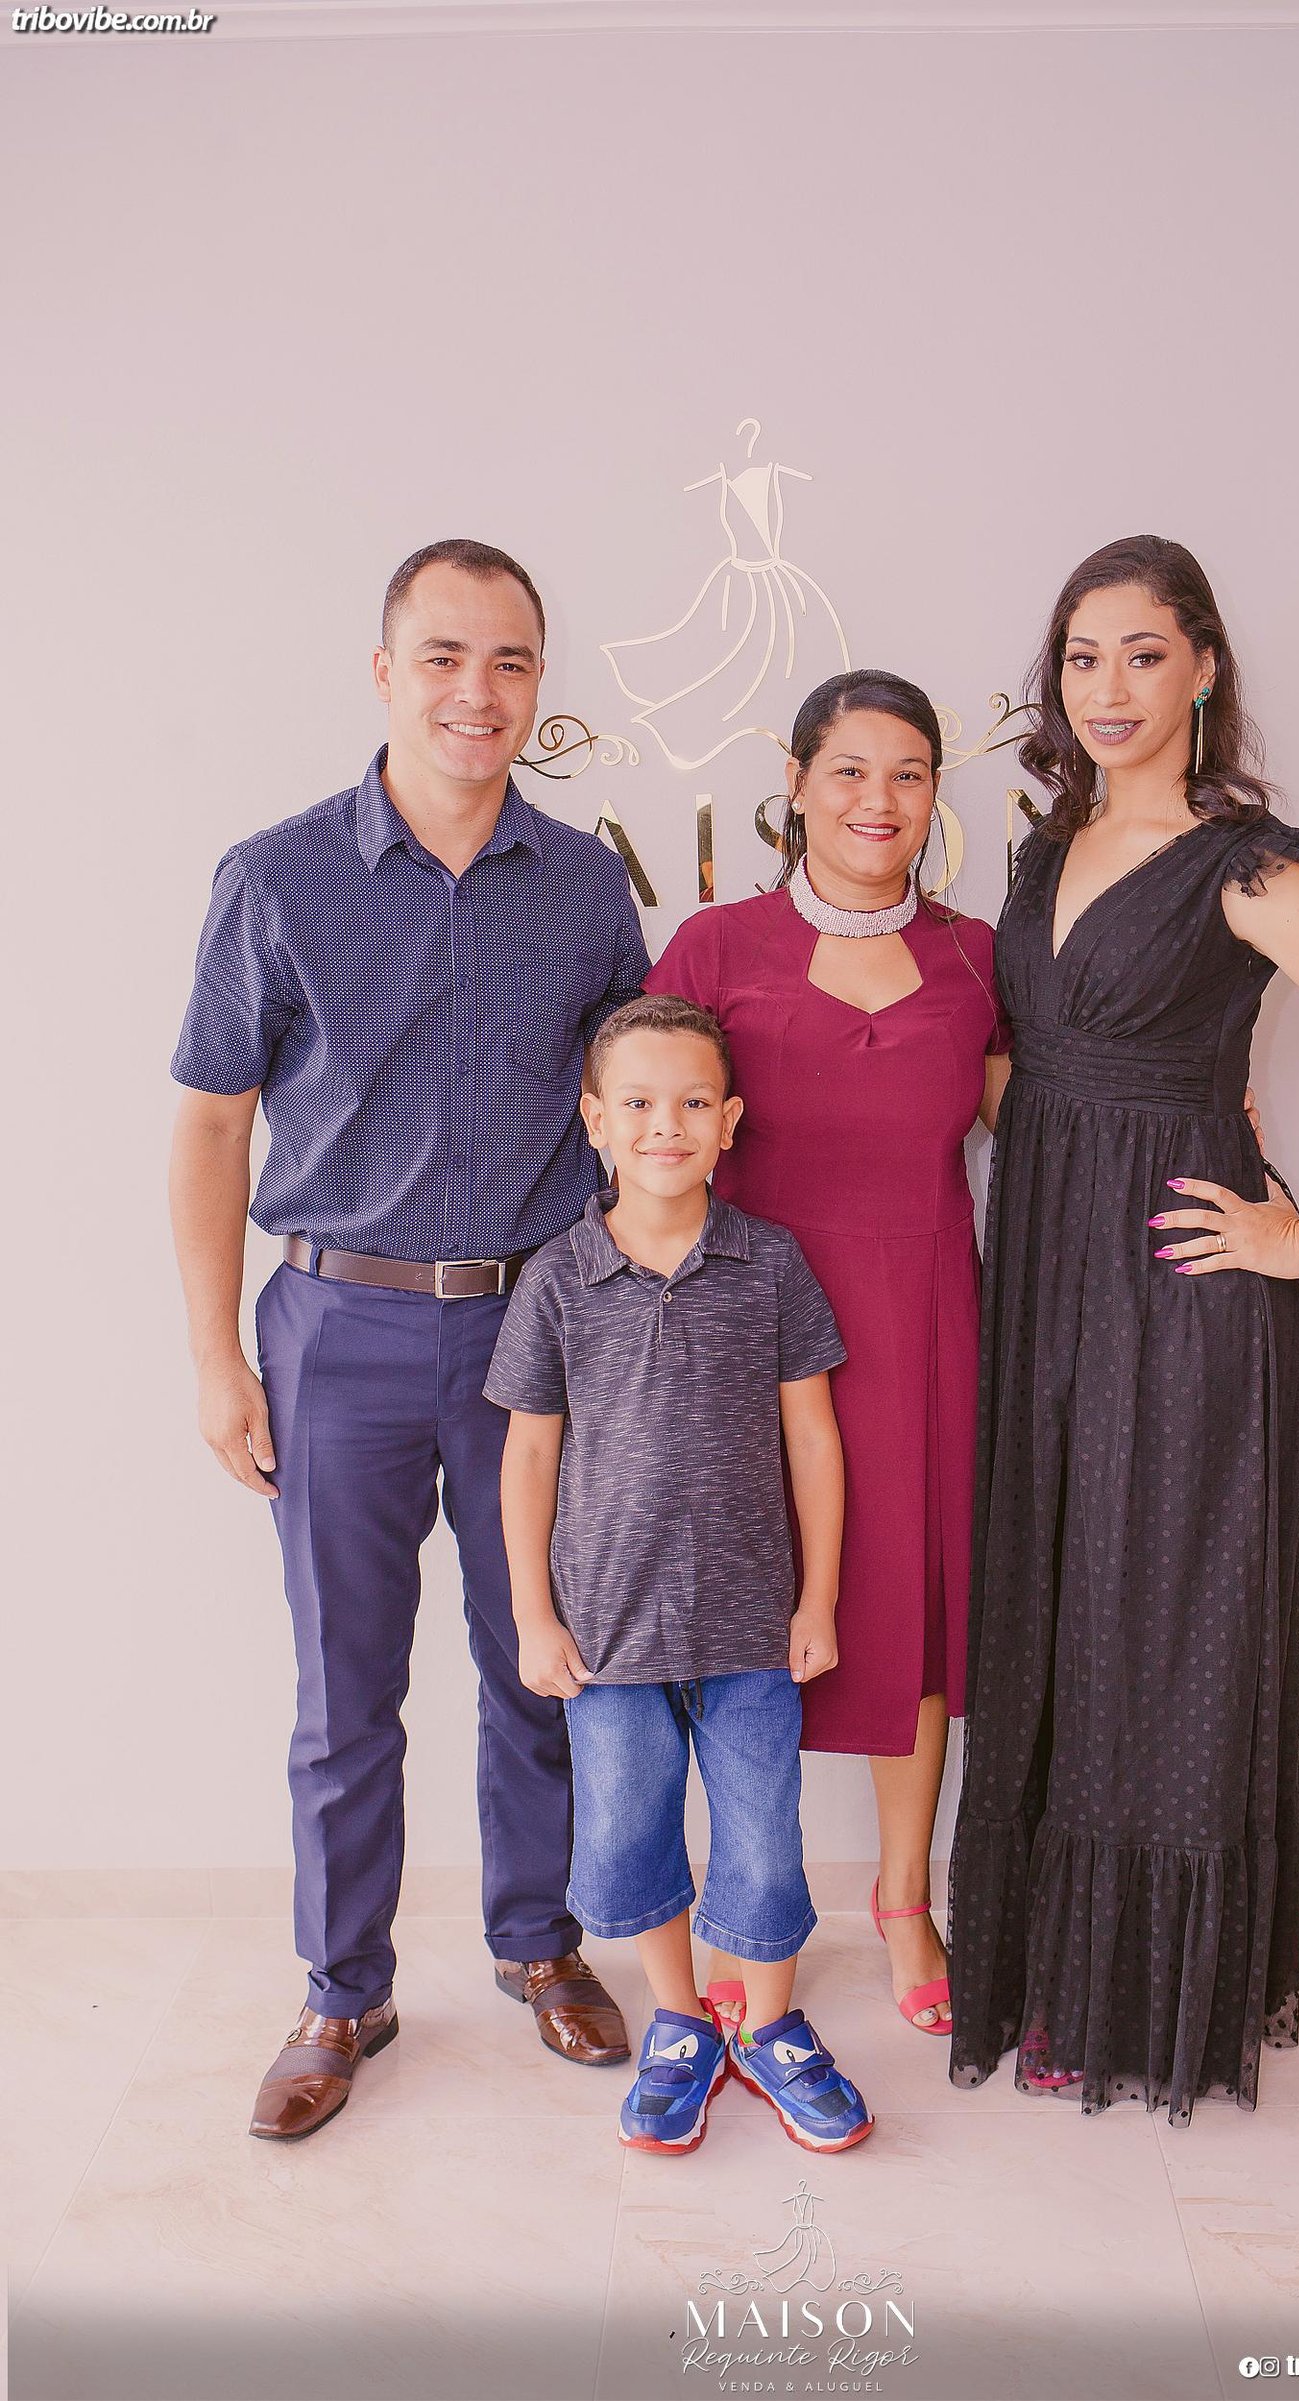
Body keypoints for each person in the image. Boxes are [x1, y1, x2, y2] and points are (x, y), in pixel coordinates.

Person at [947, 534, 1299, 2121]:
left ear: (1201, 670)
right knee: (1052, 1608)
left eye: (1142, 653)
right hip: (1045, 1286)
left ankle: (1154, 2006)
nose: (1107, 687)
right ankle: (1055, 1972)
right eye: (1082, 656)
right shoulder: (1042, 854)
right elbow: (1029, 1069)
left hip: (1180, 1299)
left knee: (1161, 1631)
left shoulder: (1244, 866)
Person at [169, 538, 647, 2142]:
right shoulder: (274, 877)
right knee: (343, 1688)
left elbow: (635, 1102)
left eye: (510, 661)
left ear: (538, 684)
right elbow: (211, 1125)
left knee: (541, 1663)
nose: (477, 691)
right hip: (337, 1329)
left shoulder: (583, 885)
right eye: (444, 656)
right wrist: (216, 1357)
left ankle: (539, 1941)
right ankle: (342, 1987)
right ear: (385, 673)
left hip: (535, 1330)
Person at [645, 669, 1009, 2038]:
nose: (878, 798)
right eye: (849, 769)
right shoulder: (714, 945)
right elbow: (641, 1121)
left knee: (914, 1605)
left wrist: (1209, 1099)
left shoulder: (979, 957)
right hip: (744, 1329)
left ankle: (906, 1896)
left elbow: (1055, 1120)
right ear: (796, 784)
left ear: (935, 796)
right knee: (743, 1618)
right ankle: (750, 1906)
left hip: (921, 1325)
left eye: (908, 772)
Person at [487, 996, 874, 2155]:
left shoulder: (770, 1264)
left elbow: (813, 1437)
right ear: (595, 1120)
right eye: (641, 1103)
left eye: (693, 1102)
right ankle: (679, 2023)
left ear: (729, 1121)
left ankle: (770, 2025)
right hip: (606, 1634)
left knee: (761, 1838)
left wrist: (817, 1598)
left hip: (751, 1625)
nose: (668, 1124)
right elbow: (529, 1454)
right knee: (628, 1833)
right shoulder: (558, 1279)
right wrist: (533, 1615)